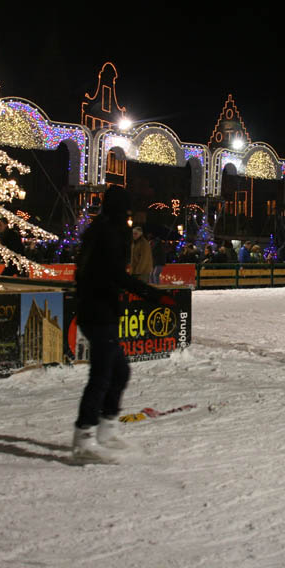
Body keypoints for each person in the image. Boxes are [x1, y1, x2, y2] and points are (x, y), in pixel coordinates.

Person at [73, 185, 171, 462]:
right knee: (102, 376)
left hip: (99, 309)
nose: (130, 216)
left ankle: (106, 429)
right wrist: (153, 294)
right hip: (97, 311)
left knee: (119, 373)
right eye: (127, 209)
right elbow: (114, 274)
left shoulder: (103, 229)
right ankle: (83, 438)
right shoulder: (108, 233)